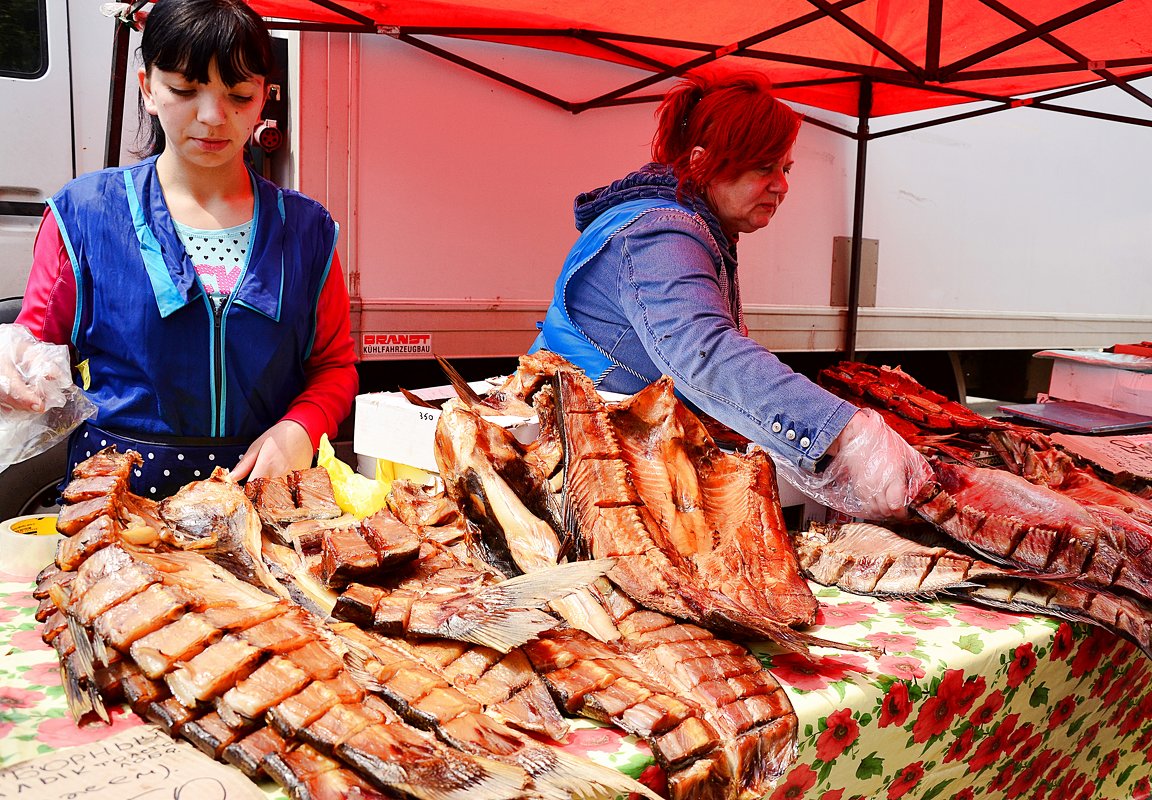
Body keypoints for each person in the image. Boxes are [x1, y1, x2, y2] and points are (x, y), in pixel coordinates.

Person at [531, 71, 928, 519]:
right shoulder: (660, 232)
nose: (782, 185)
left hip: (612, 446)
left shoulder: (690, 223)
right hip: (578, 463)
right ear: (701, 163)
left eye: (786, 169)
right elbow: (705, 351)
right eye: (765, 168)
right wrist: (846, 431)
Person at [1, 0, 357, 497]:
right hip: (112, 510)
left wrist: (301, 427)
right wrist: (9, 363)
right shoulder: (83, 213)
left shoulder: (306, 228)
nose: (213, 117)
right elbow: (33, 347)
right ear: (147, 89)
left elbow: (333, 367)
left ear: (263, 98)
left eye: (238, 94)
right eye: (185, 90)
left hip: (261, 502)